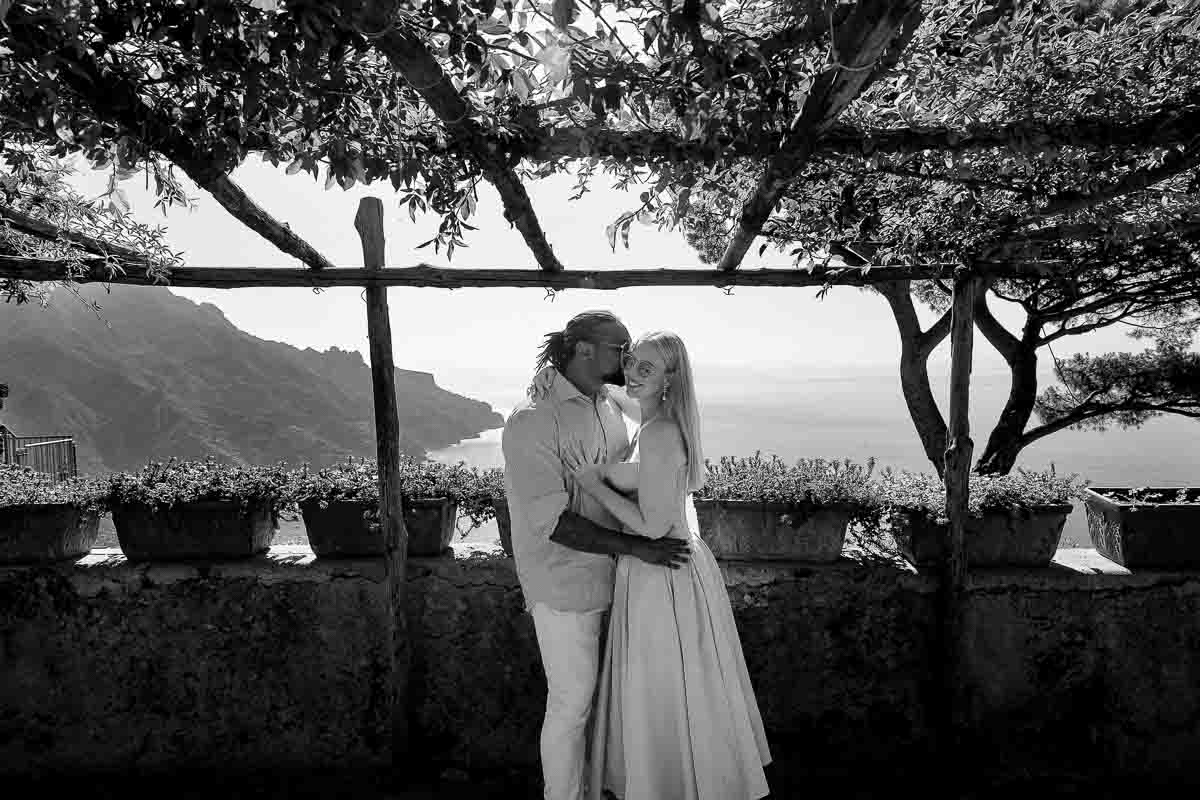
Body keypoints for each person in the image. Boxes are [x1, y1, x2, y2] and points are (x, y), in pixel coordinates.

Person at [502, 311, 692, 800]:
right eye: (619, 348)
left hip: (625, 579)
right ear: (583, 349)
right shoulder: (532, 420)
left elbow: (657, 436)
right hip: (566, 585)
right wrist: (639, 546)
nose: (627, 359)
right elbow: (552, 522)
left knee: (614, 705)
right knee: (571, 706)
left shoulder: (608, 404)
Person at [574, 331, 772, 800]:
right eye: (630, 362)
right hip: (664, 572)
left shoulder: (661, 433)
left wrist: (593, 483)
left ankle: (667, 785)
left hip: (662, 574)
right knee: (677, 688)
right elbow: (620, 395)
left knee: (662, 686)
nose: (632, 374)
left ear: (671, 379)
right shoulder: (651, 417)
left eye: (647, 368)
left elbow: (650, 525)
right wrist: (561, 381)